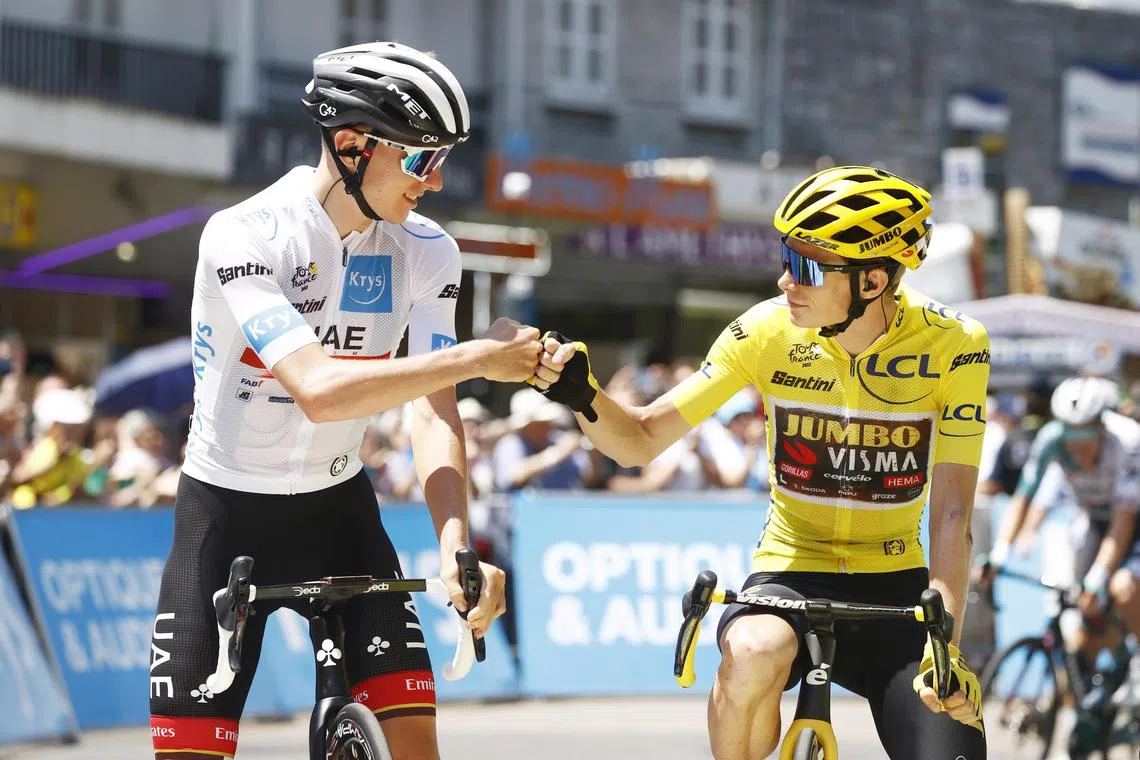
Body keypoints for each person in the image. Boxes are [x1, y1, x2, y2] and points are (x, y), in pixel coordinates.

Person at [149, 42, 556, 760]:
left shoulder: (428, 252)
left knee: (414, 743)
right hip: (223, 514)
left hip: (339, 512)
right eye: (421, 160)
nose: (434, 182)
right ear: (350, 144)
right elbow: (319, 392)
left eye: (443, 160)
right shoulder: (244, 235)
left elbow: (434, 411)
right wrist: (481, 356)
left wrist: (456, 542)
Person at [531, 166, 989, 759]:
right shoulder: (764, 332)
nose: (783, 280)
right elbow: (641, 440)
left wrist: (943, 639)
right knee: (749, 652)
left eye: (805, 266)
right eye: (785, 257)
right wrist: (582, 395)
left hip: (897, 585)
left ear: (873, 280)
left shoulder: (955, 345)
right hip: (790, 572)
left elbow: (953, 513)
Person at [983, 377, 1140, 654]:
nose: (1078, 452)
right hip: (1096, 518)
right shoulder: (1051, 439)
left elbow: (1123, 520)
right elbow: (1024, 496)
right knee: (1086, 610)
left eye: (1086, 440)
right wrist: (1000, 552)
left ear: (1102, 428)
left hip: (1131, 520)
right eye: (1072, 441)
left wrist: (1099, 575)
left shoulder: (1128, 441)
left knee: (1122, 588)